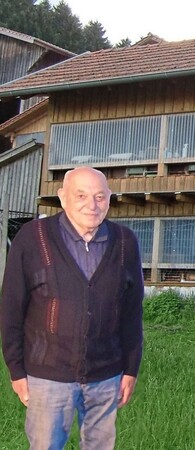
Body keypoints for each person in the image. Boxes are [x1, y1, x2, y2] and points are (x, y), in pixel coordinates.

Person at [0, 166, 144, 450]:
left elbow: (131, 312)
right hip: (48, 377)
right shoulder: (33, 238)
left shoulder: (126, 242)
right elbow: (11, 308)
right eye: (81, 195)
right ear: (63, 197)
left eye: (100, 197)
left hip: (106, 375)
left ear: (109, 199)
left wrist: (130, 368)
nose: (92, 205)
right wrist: (16, 369)